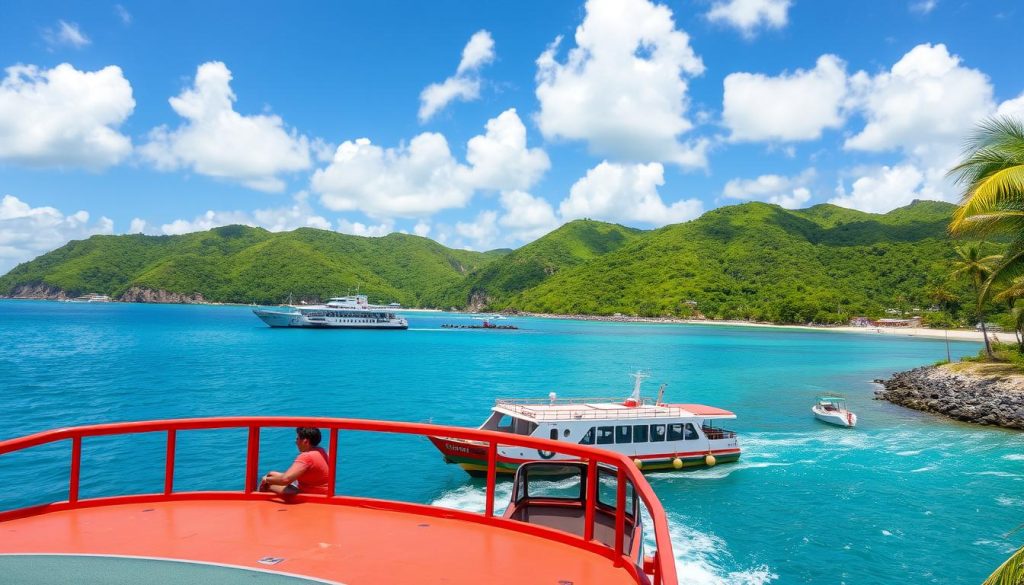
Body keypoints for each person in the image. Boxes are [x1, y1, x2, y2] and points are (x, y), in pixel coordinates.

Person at [259, 427, 330, 497]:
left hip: (309, 494)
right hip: (321, 492)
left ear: (306, 441)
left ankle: (259, 501)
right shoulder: (321, 451)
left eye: (297, 439)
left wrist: (266, 480)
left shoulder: (306, 456)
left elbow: (285, 480)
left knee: (265, 484)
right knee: (271, 474)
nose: (295, 441)